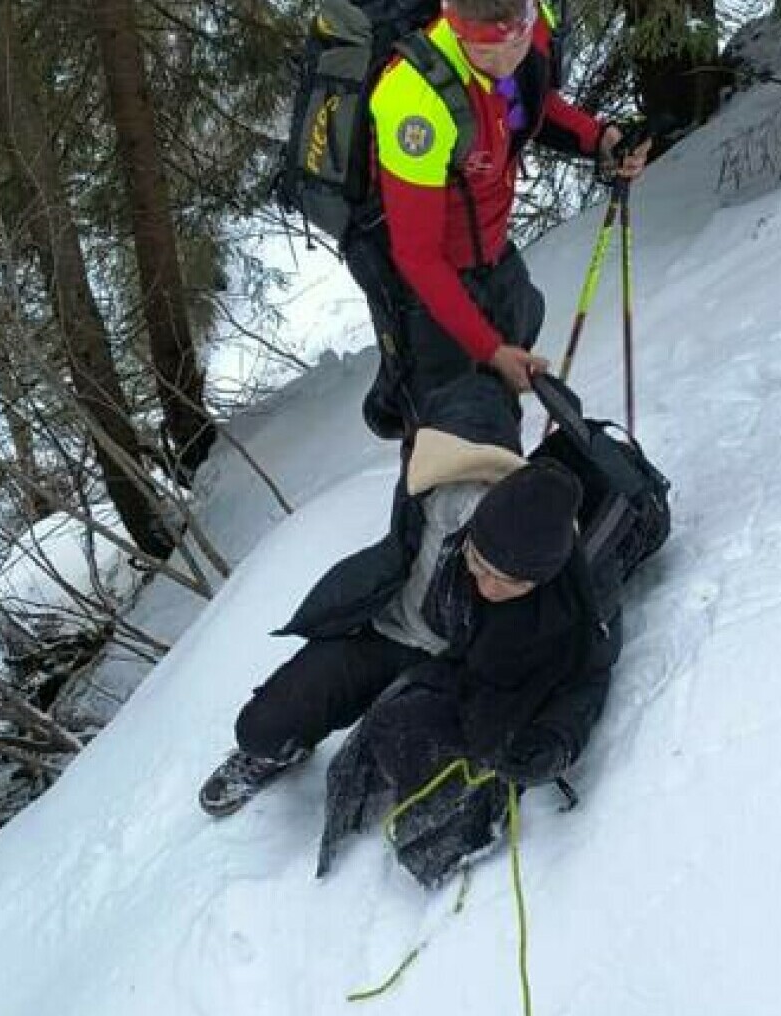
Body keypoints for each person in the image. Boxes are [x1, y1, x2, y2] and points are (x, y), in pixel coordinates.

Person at [198, 396, 619, 889]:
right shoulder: (448, 501)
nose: (487, 585)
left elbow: (588, 672)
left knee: (416, 739)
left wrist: (557, 740)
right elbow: (458, 413)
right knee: (262, 726)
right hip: (386, 631)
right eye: (479, 564)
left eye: (508, 584)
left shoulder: (563, 591)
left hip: (447, 668)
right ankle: (275, 752)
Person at [348, 0, 650, 441]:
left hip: (490, 254)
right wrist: (489, 350)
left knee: (512, 352)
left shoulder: (530, 24)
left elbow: (529, 100)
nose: (507, 61)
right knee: (448, 443)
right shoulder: (413, 99)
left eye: (519, 43)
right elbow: (418, 256)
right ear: (455, 28)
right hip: (423, 287)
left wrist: (598, 138)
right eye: (488, 52)